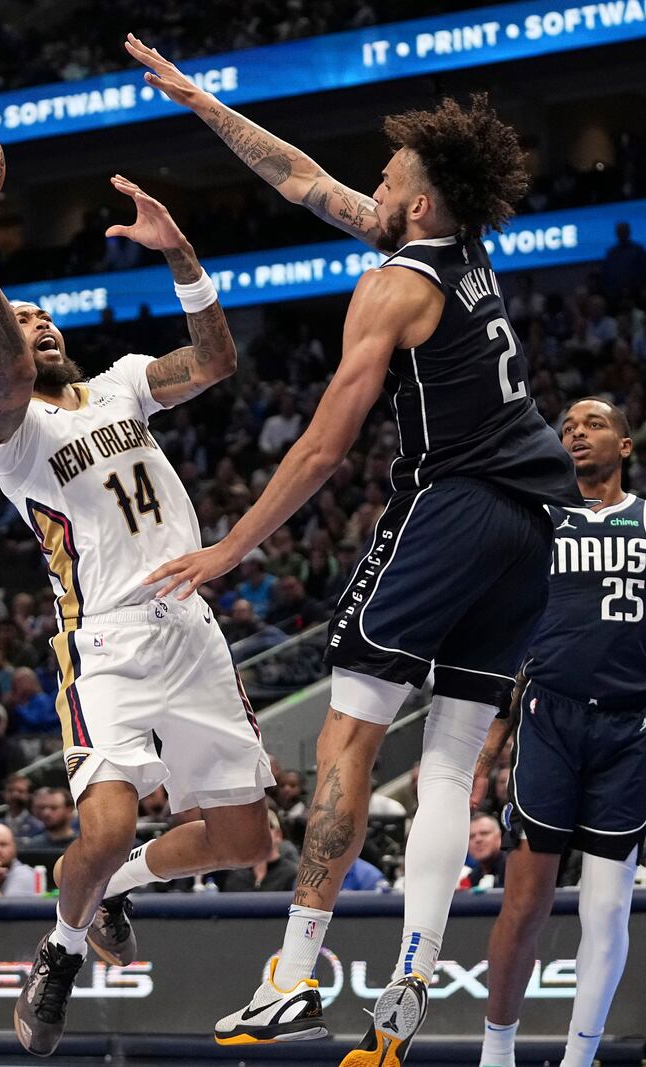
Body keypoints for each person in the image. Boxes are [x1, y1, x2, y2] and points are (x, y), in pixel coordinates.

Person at [128, 37, 581, 1055]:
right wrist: (201, 102)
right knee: (452, 761)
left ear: (416, 205)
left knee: (347, 738)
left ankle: (292, 973)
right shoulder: (459, 250)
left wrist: (232, 547)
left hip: (455, 503)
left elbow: (329, 445)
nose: (366, 188)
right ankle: (414, 971)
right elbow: (301, 180)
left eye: (385, 180)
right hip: (533, 522)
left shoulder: (391, 288)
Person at [0, 156, 273, 1056]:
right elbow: (3, 360)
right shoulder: (11, 429)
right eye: (22, 322)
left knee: (244, 838)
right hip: (103, 642)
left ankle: (112, 886)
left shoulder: (122, 384)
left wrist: (182, 252)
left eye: (45, 316)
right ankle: (61, 949)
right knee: (102, 825)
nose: (39, 326)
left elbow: (217, 358)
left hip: (192, 630)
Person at [471, 397, 646, 1067]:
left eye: (593, 425)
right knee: (526, 900)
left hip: (627, 729)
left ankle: (579, 1057)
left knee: (606, 909)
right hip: (551, 715)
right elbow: (509, 642)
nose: (576, 435)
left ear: (626, 445)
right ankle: (497, 1051)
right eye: (567, 428)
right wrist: (486, 747)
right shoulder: (538, 521)